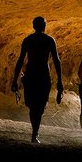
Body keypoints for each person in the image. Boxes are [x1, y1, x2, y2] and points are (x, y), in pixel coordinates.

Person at [11, 16, 63, 144]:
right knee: (39, 106)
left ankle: (34, 132)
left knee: (32, 105)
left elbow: (20, 60)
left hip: (31, 75)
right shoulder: (50, 40)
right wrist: (60, 80)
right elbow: (56, 61)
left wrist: (15, 79)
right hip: (43, 76)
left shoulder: (28, 40)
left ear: (34, 26)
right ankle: (35, 133)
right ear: (44, 27)